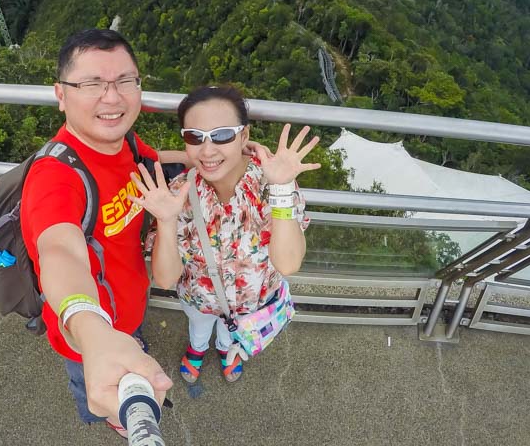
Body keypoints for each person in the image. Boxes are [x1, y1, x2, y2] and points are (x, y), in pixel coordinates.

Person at [19, 29, 176, 436]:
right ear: (61, 93)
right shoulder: (56, 177)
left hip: (131, 308)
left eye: (125, 81)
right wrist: (93, 332)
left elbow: (155, 162)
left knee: (127, 351)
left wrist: (212, 154)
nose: (113, 97)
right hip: (85, 333)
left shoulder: (124, 143)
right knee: (92, 386)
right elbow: (60, 251)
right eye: (92, 84)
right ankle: (105, 417)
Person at [133, 85, 318, 383]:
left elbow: (289, 263)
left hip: (250, 304)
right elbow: (165, 279)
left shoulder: (272, 181)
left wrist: (282, 188)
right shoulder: (178, 193)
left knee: (228, 333)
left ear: (244, 136)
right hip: (199, 298)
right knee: (199, 325)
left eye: (221, 135)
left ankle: (223, 347)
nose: (207, 151)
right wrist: (166, 220)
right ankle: (196, 348)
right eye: (195, 137)